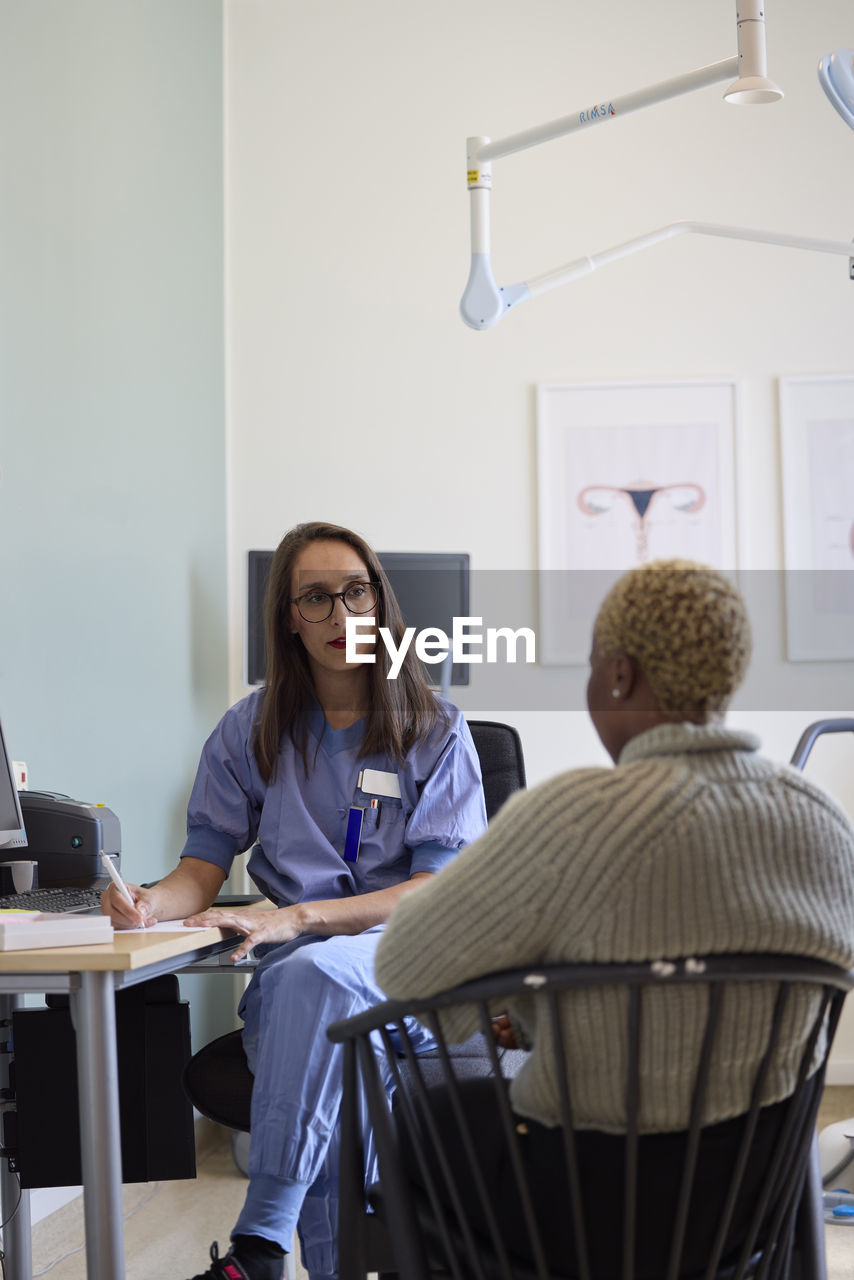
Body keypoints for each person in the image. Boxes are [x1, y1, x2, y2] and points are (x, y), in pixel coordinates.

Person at [375, 559, 854, 1270]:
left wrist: (522, 1002)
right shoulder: (823, 821)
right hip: (752, 1201)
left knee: (420, 1115)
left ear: (621, 674)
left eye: (594, 667)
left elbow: (402, 963)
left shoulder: (574, 817)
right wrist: (548, 1010)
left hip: (587, 1205)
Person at [100, 520, 487, 1280]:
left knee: (312, 984)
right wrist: (152, 903)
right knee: (330, 1033)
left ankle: (260, 1242)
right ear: (289, 616)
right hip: (300, 980)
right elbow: (201, 868)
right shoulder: (249, 730)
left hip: (404, 965)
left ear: (380, 600)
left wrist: (295, 917)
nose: (341, 617)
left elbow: (433, 892)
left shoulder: (436, 728)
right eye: (316, 599)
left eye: (355, 592)